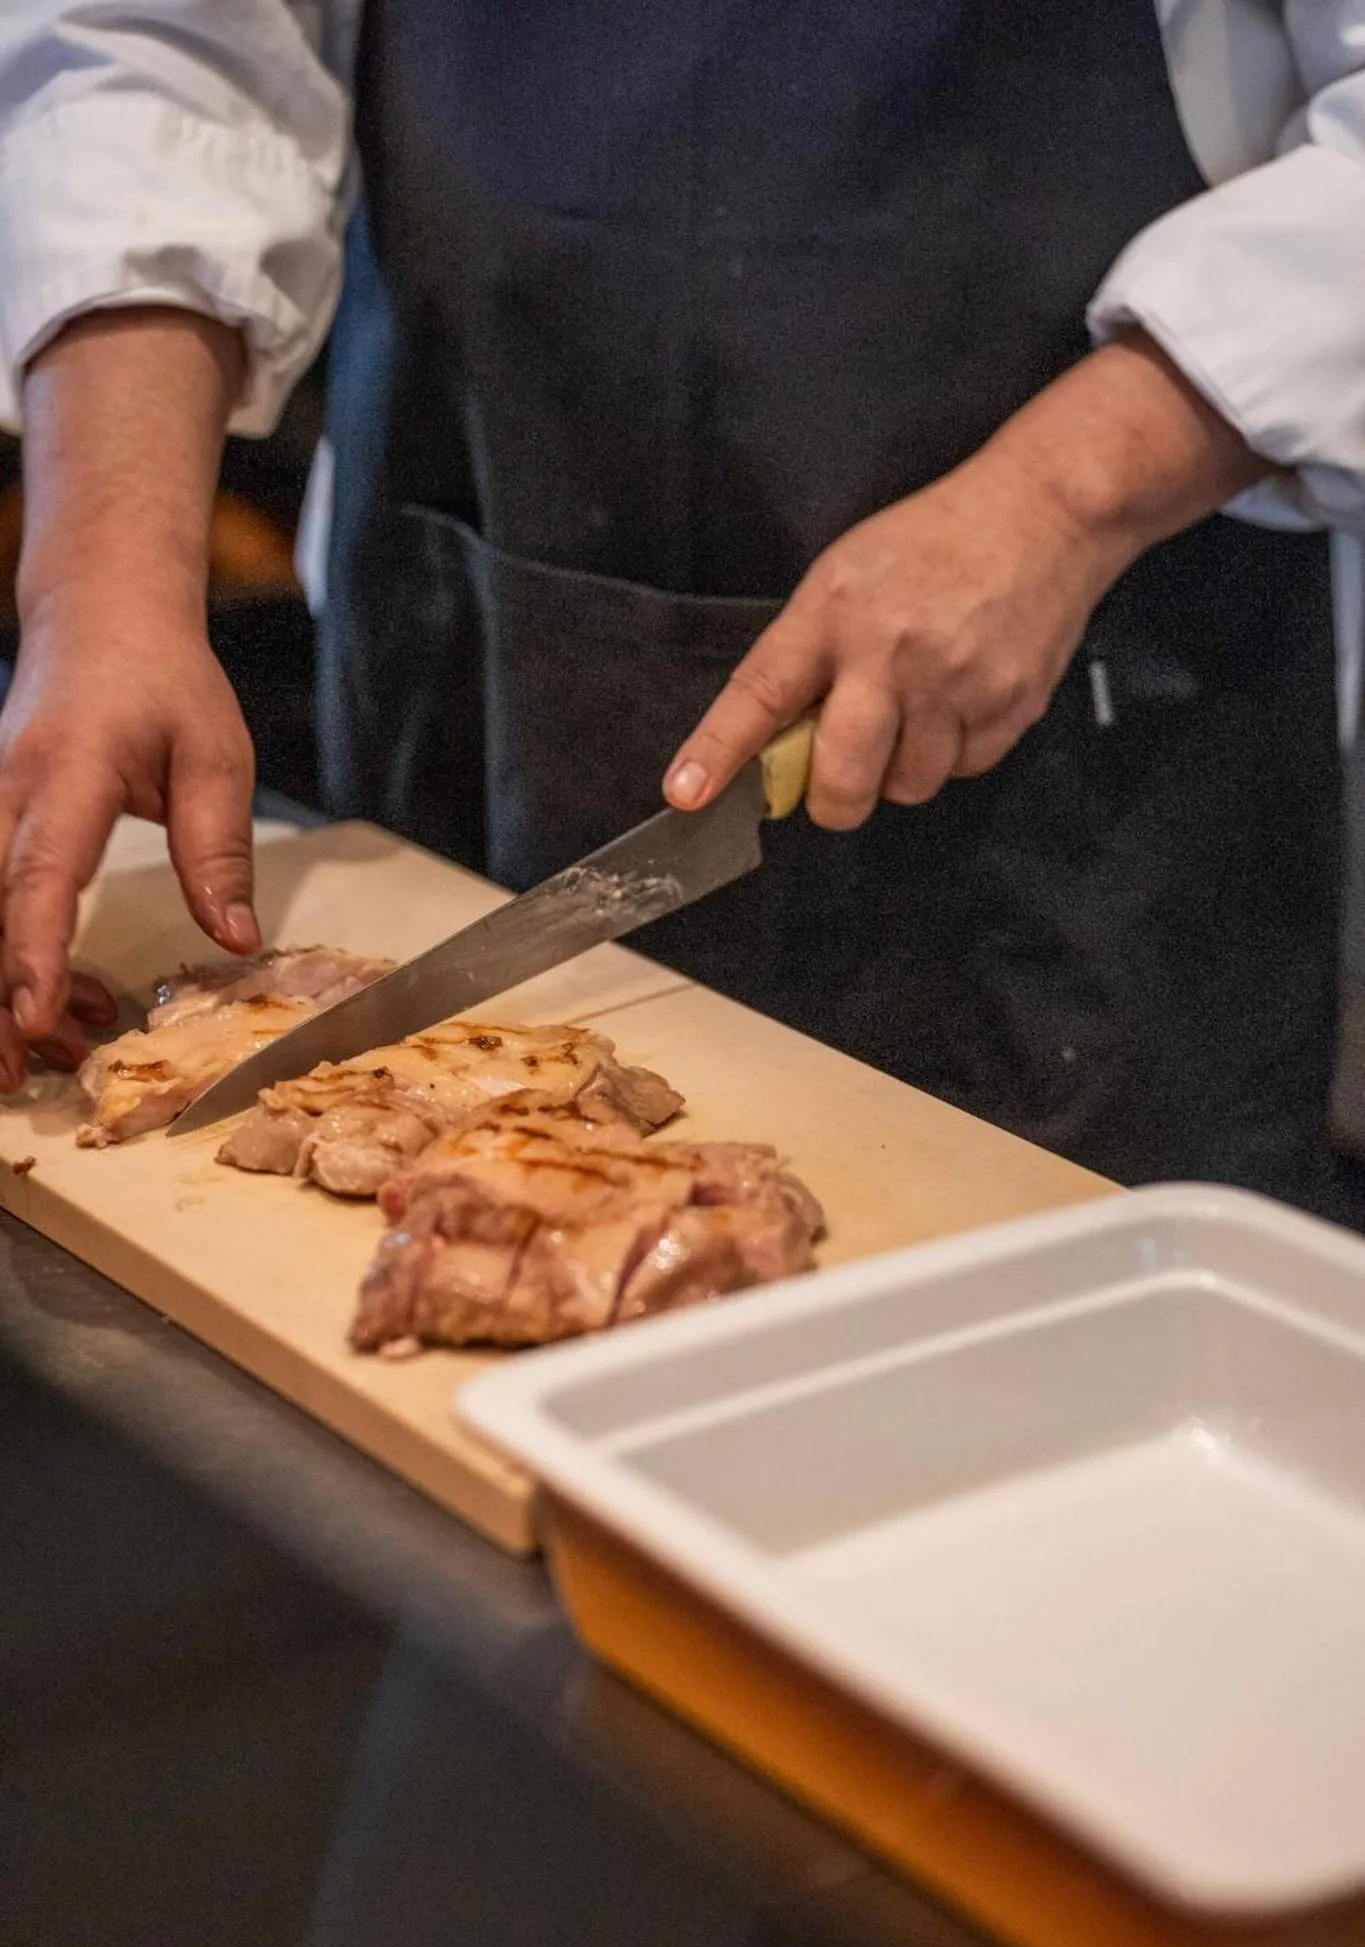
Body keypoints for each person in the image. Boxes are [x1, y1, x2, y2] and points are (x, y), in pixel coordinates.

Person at [0, 3, 1363, 1214]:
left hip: (1097, 750)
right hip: (470, 629)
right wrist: (102, 577)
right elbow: (155, 39)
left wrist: (1062, 499)